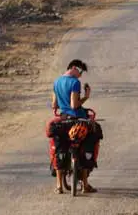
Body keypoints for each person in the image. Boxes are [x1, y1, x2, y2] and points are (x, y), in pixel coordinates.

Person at [50, 59, 99, 194]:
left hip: (64, 121)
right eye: (81, 72)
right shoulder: (75, 83)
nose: (81, 75)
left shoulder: (56, 82)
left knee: (59, 148)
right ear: (74, 68)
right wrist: (86, 97)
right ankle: (85, 185)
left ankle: (59, 186)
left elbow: (54, 105)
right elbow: (74, 105)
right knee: (90, 141)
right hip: (77, 121)